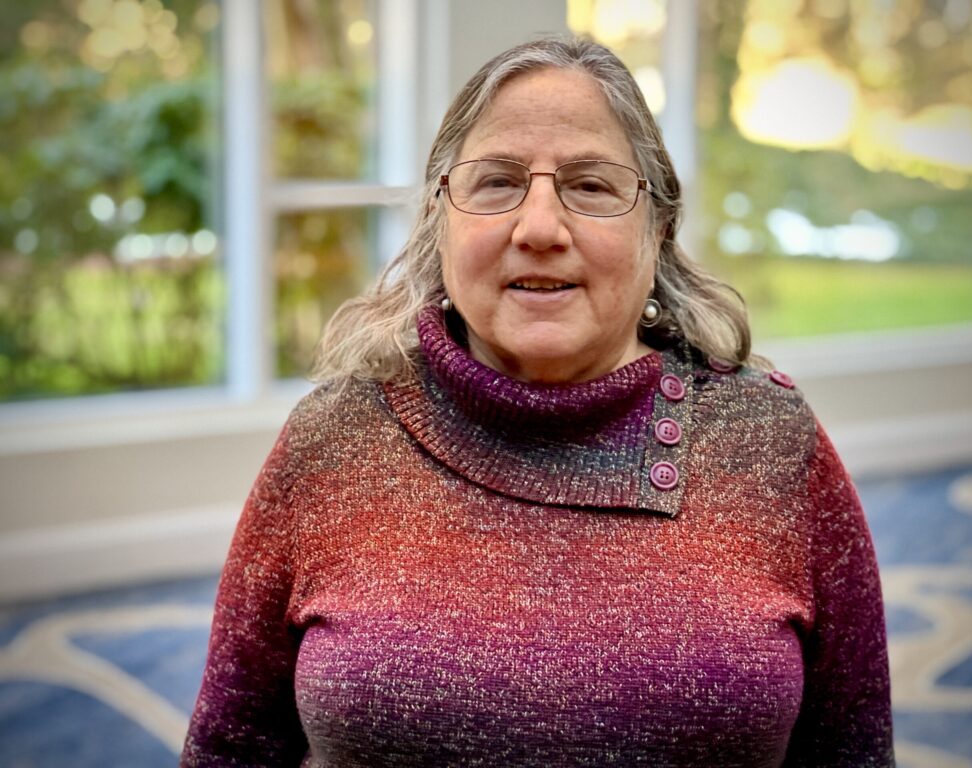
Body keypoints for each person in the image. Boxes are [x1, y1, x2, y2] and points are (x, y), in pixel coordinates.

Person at [181, 37, 894, 767]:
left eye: (591, 186)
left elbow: (853, 751)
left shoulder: (772, 444)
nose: (542, 229)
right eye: (496, 183)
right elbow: (231, 748)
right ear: (440, 218)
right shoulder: (333, 441)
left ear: (659, 228)